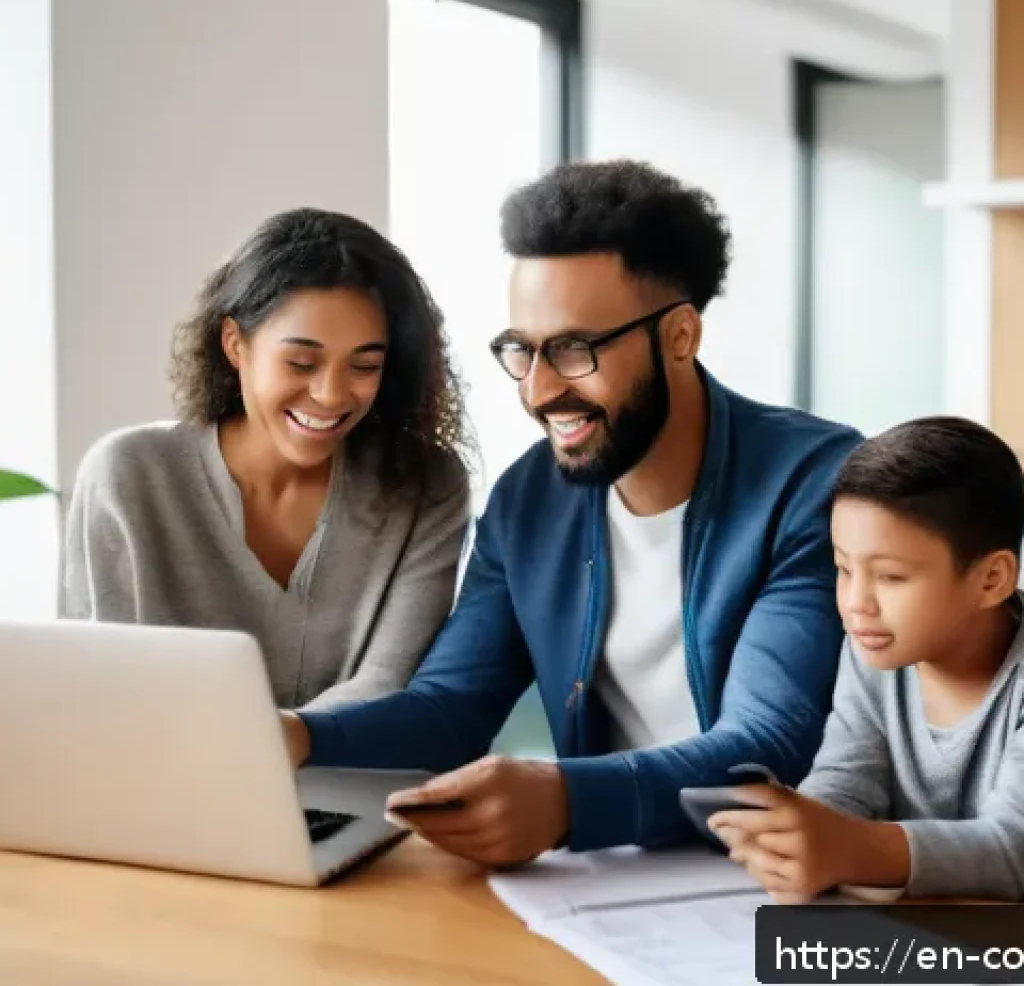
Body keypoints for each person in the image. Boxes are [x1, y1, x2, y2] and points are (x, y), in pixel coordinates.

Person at [282, 159, 862, 864]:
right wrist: (296, 735)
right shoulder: (528, 500)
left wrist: (565, 802)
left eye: (574, 349)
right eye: (522, 351)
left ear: (680, 336)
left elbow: (768, 744)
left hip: (779, 880)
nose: (539, 390)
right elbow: (450, 708)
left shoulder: (814, 483)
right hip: (605, 883)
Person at [61, 208, 472, 710]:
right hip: (157, 763)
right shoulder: (128, 477)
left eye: (365, 365)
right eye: (301, 362)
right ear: (235, 344)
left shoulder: (426, 484)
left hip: (358, 765)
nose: (331, 394)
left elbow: (389, 686)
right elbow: (106, 692)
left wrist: (267, 742)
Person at [709, 417, 1024, 902]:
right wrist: (797, 835)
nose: (856, 603)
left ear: (992, 579)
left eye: (891, 577)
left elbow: (1014, 848)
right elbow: (846, 780)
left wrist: (851, 849)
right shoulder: (877, 647)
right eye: (843, 568)